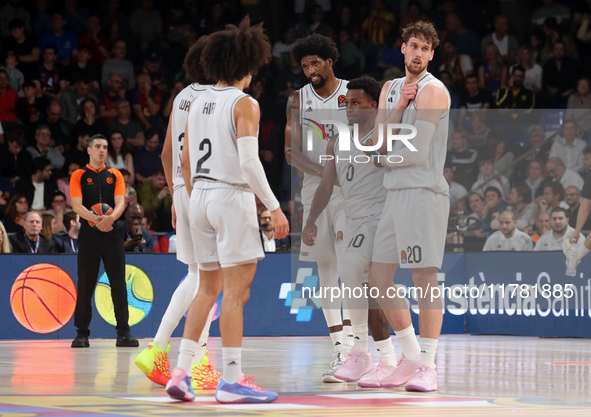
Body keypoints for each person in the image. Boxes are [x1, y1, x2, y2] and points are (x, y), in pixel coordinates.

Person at [168, 17, 288, 403]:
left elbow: (183, 160)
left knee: (206, 289)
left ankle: (181, 372)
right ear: (248, 65)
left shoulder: (197, 99)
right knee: (237, 294)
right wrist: (273, 206)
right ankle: (232, 380)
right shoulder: (244, 103)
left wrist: (193, 195)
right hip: (229, 197)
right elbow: (250, 163)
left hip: (198, 196)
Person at [366, 21, 450, 392]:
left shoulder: (434, 92)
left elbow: (416, 151)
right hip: (394, 193)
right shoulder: (390, 88)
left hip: (424, 192)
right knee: (378, 279)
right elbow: (380, 138)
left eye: (424, 48)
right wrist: (399, 104)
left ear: (431, 55)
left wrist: (381, 160)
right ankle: (411, 354)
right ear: (403, 48)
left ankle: (428, 366)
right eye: (412, 45)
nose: (417, 53)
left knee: (423, 279)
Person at [135, 36, 222, 391]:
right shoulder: (215, 98)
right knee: (206, 280)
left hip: (184, 190)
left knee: (197, 276)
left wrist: (176, 196)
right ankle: (161, 348)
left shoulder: (183, 94)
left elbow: (167, 152)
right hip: (205, 189)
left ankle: (193, 359)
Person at [301, 77, 398, 386]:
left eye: (357, 102)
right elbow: (326, 184)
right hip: (352, 219)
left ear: (373, 105)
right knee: (353, 281)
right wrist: (312, 220)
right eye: (347, 103)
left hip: (379, 219)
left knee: (358, 277)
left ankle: (378, 355)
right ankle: (370, 354)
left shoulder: (384, 136)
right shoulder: (337, 140)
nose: (349, 108)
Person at [285, 33, 352, 382]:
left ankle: (360, 349)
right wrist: (326, 173)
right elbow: (290, 152)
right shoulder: (297, 99)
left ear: (330, 61)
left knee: (352, 266)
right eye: (304, 65)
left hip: (350, 188)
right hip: (316, 191)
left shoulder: (353, 93)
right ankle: (340, 350)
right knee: (326, 273)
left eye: (315, 63)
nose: (309, 70)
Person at [69, 134, 138, 348]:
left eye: (105, 147)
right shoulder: (78, 175)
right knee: (86, 284)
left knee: (118, 283)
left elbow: (120, 202)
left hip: (112, 233)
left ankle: (123, 333)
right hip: (89, 235)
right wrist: (97, 220)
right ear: (88, 150)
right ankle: (81, 333)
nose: (102, 150)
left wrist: (111, 218)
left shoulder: (115, 174)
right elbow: (76, 206)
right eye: (97, 146)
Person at [138, 166, 172, 232]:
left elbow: (168, 210)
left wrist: (170, 200)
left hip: (163, 218)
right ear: (153, 177)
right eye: (159, 179)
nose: (162, 182)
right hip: (148, 216)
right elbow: (146, 208)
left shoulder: (166, 187)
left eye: (164, 180)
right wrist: (159, 197)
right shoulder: (145, 188)